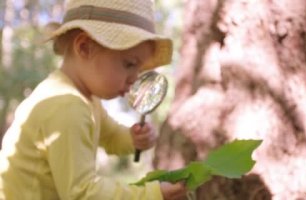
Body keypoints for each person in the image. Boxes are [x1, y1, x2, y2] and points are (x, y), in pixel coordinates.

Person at [0, 0, 186, 199]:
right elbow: (83, 194)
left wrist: (132, 139)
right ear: (85, 47)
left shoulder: (85, 100)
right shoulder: (66, 106)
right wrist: (151, 195)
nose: (134, 79)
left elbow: (111, 135)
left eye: (139, 70)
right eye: (129, 64)